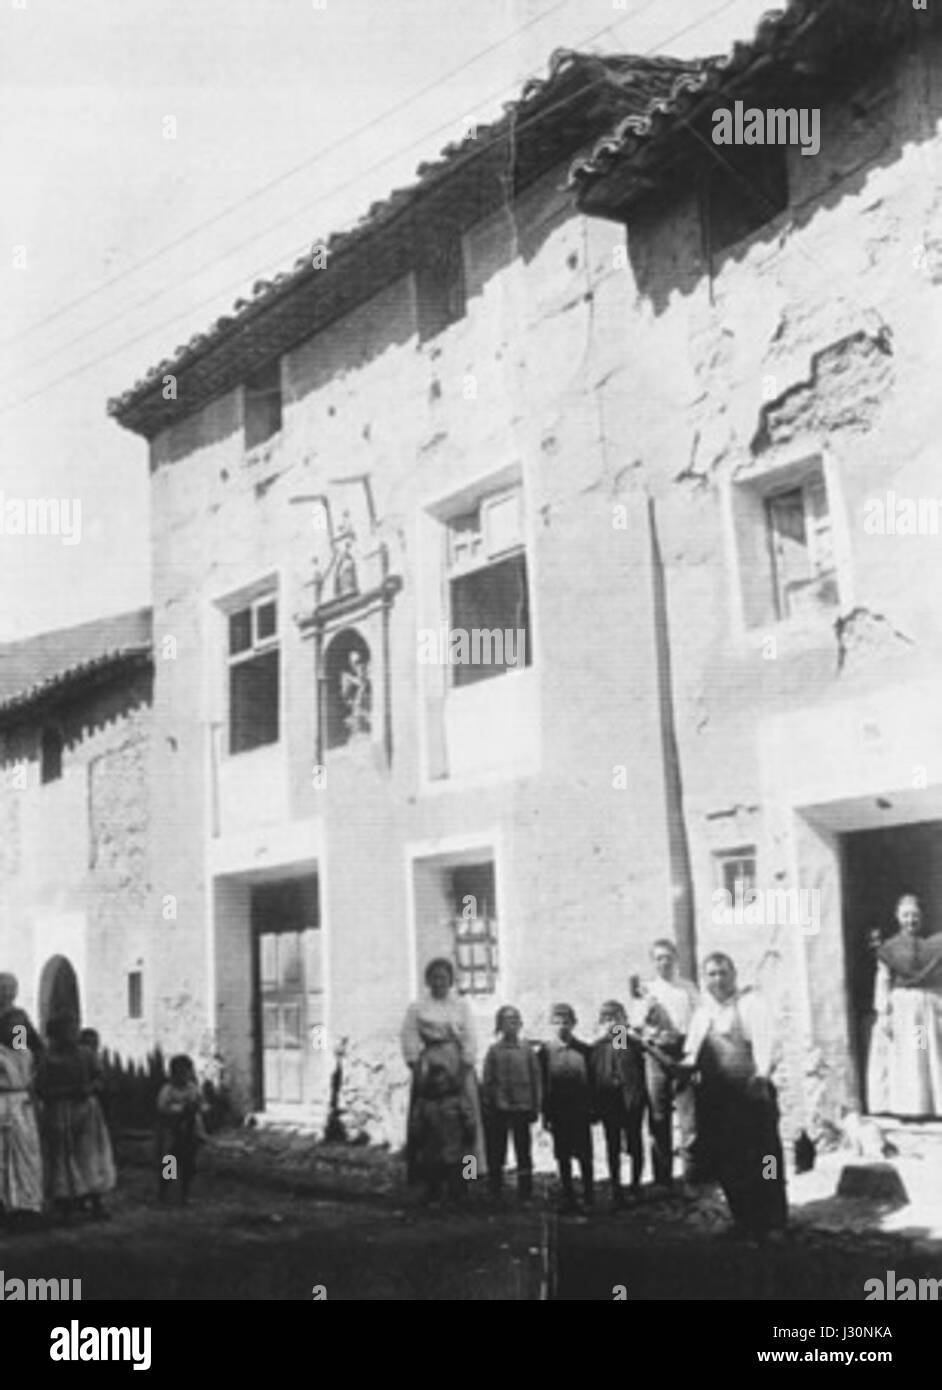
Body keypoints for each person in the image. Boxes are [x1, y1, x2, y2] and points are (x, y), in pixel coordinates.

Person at [682, 953, 787, 1241]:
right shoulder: (702, 1015)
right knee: (730, 1163)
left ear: (734, 974)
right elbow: (691, 1054)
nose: (718, 980)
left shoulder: (751, 1004)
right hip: (718, 1103)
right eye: (712, 974)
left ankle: (774, 1219)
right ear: (705, 979)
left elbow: (767, 1043)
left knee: (765, 1160)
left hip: (752, 1095)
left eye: (723, 973)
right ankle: (744, 1218)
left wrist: (762, 1074)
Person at [401, 958, 483, 1204]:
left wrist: (463, 1068)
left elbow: (470, 1036)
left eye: (444, 978)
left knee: (466, 1126)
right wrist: (416, 1066)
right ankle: (430, 1184)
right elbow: (408, 1035)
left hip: (457, 1061)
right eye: (434, 977)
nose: (439, 982)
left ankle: (467, 1180)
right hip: (429, 1064)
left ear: (451, 980)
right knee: (427, 1126)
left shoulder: (461, 1006)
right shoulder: (417, 1007)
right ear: (428, 981)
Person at [867, 893, 942, 1118]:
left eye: (915, 916)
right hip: (904, 1009)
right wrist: (883, 1014)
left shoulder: (934, 944)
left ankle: (930, 1105)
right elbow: (883, 981)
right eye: (906, 916)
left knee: (924, 1052)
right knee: (911, 1054)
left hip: (927, 1007)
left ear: (922, 917)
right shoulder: (890, 948)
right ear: (898, 917)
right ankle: (911, 1105)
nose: (911, 920)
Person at [36, 1013, 116, 1221]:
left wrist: (90, 1087)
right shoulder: (47, 1059)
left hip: (86, 1111)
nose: (70, 1037)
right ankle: (65, 1203)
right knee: (62, 1156)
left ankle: (95, 1200)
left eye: (73, 1031)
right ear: (54, 1036)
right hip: (59, 1112)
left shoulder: (87, 1054)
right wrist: (64, 1092)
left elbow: (100, 1077)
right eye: (64, 1033)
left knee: (90, 1155)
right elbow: (41, 1088)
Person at [638, 940, 701, 1187]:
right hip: (655, 1055)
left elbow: (699, 1021)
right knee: (658, 1117)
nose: (664, 962)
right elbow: (632, 1028)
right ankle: (662, 1181)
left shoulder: (687, 988)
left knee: (689, 1120)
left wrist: (693, 1056)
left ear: (676, 959)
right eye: (658, 958)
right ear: (653, 962)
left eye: (668, 957)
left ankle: (691, 1178)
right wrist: (647, 1012)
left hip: (683, 1052)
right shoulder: (646, 990)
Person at [539, 1003, 594, 1213]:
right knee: (563, 1157)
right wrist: (545, 1114)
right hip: (558, 1111)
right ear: (551, 1024)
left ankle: (589, 1195)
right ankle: (568, 1195)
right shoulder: (545, 1052)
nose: (562, 1026)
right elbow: (542, 1084)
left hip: (580, 1111)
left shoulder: (585, 1050)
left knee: (585, 1156)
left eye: (566, 1021)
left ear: (574, 1023)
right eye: (557, 1022)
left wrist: (592, 1108)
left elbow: (592, 1081)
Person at [482, 1005, 540, 1201]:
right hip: (500, 1108)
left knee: (523, 1150)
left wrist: (536, 1105)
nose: (512, 1024)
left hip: (522, 1107)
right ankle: (495, 1190)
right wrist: (488, 1104)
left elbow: (535, 1079)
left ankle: (525, 1192)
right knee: (497, 1150)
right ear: (499, 1025)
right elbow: (488, 1080)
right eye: (507, 1021)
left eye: (515, 1020)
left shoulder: (527, 1051)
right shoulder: (494, 1051)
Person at [591, 1000, 645, 1209]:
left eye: (616, 1018)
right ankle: (616, 1186)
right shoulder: (597, 1047)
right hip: (609, 1103)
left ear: (624, 1019)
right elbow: (596, 1076)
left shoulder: (628, 1043)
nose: (612, 1023)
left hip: (631, 1101)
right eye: (607, 1019)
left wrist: (637, 1098)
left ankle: (635, 1184)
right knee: (612, 1144)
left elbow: (629, 1068)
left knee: (634, 1142)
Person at [0, 1005, 43, 1225]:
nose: (17, 1031)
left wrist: (35, 1102)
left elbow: (31, 1082)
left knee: (26, 1156)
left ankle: (26, 1204)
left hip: (24, 1108)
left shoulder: (26, 1054)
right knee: (4, 1156)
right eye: (12, 1026)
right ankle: (5, 1204)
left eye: (21, 1027)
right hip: (3, 1105)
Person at [156, 1054, 207, 1205]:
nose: (183, 1077)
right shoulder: (168, 1090)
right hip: (172, 1131)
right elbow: (162, 1107)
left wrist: (201, 1108)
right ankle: (164, 1193)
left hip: (190, 1131)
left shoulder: (192, 1089)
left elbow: (202, 1104)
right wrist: (180, 1109)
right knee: (169, 1162)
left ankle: (185, 1194)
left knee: (189, 1163)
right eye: (179, 1073)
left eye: (186, 1073)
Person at [0, 973, 43, 1058]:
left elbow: (33, 1045)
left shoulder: (19, 1017)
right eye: (3, 988)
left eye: (12, 988)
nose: (7, 992)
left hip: (16, 1065)